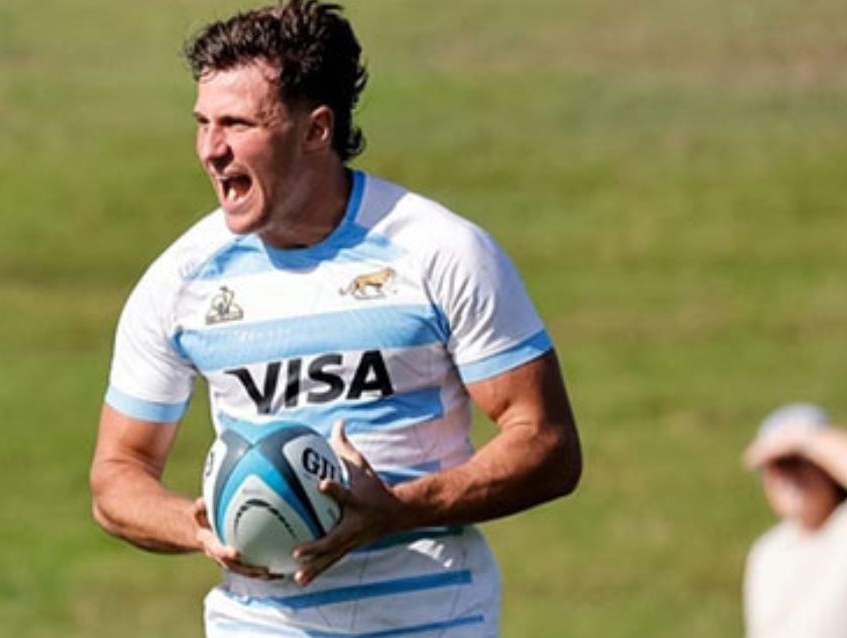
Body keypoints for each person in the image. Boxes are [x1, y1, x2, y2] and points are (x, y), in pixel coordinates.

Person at [89, 1, 582, 636]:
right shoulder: (182, 280)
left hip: (430, 621)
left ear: (316, 130)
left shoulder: (439, 252)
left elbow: (547, 443)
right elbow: (116, 476)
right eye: (203, 123)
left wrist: (398, 509)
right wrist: (201, 525)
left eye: (237, 124)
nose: (212, 149)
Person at [742, 403, 847, 638]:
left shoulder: (845, 528)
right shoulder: (768, 551)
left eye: (798, 462)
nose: (788, 478)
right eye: (776, 466)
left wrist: (809, 439)